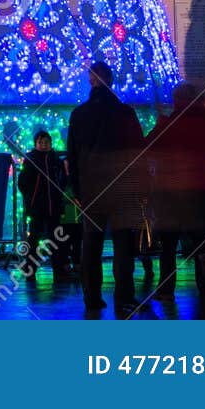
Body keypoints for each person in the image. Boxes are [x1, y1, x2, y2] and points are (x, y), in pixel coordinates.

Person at [66, 60, 144, 315]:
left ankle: (92, 296)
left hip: (91, 187)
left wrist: (76, 190)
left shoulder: (79, 114)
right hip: (122, 187)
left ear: (91, 81)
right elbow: (137, 153)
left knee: (91, 243)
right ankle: (124, 295)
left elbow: (73, 156)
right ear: (111, 81)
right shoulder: (125, 113)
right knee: (123, 245)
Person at [144, 82, 205, 298]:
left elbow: (148, 146)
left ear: (176, 100)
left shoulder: (170, 124)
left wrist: (160, 123)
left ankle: (166, 287)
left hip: (171, 195)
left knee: (169, 246)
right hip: (202, 193)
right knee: (202, 246)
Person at [17, 130, 67, 281]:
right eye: (41, 142)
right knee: (34, 239)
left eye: (46, 142)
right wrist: (31, 198)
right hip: (37, 207)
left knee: (56, 239)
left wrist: (59, 195)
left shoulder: (56, 160)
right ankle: (30, 270)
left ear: (50, 144)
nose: (44, 145)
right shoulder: (30, 159)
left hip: (54, 206)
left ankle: (59, 270)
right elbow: (22, 182)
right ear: (36, 144)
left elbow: (62, 179)